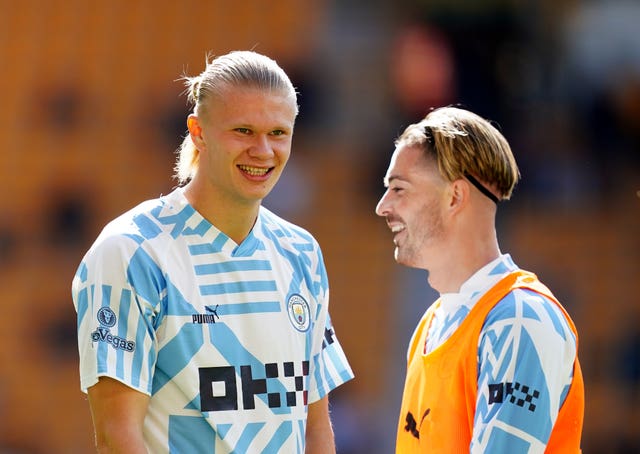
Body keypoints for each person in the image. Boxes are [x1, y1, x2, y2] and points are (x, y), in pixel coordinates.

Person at [72, 50, 354, 453]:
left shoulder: (301, 253)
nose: (263, 151)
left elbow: (315, 429)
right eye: (243, 131)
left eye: (278, 133)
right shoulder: (132, 252)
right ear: (198, 131)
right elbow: (118, 436)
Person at [375, 106, 584, 453]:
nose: (383, 206)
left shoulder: (520, 320)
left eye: (398, 188)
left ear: (455, 196)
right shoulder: (430, 325)